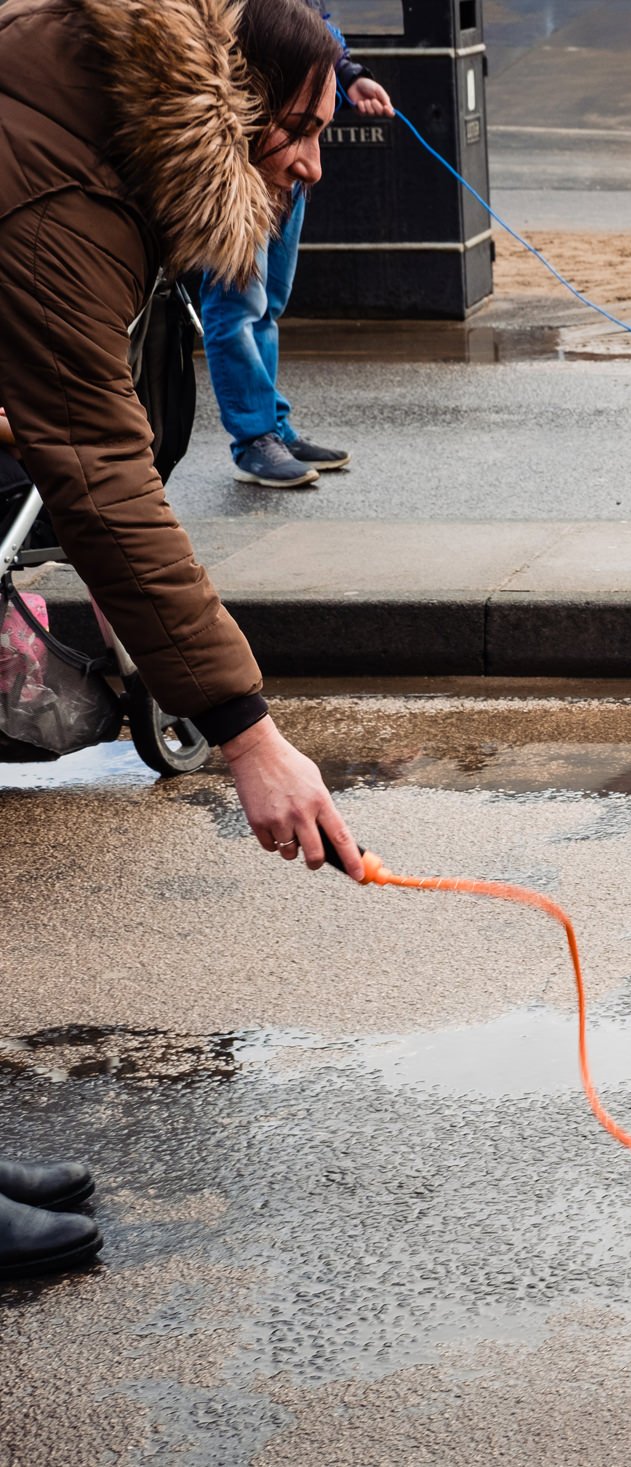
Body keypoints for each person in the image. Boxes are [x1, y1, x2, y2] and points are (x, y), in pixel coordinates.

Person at [0, 0, 368, 1281]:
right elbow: (98, 470)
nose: (314, 161)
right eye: (304, 129)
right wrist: (248, 736)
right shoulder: (56, 180)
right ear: (235, 98)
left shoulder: (104, 125)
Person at [198, 4, 393, 491]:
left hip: (291, 145)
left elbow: (314, 22)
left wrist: (348, 75)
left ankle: (275, 428)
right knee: (237, 304)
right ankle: (254, 438)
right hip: (251, 152)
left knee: (270, 300)